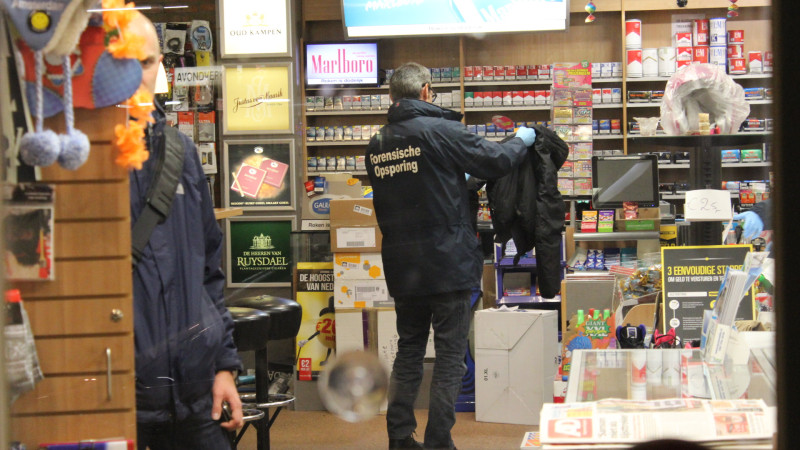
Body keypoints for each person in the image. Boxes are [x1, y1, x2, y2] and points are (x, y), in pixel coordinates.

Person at [366, 62, 536, 449]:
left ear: (392, 96)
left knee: (409, 350)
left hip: (403, 265)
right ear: (426, 90)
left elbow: (422, 186)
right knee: (449, 356)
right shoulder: (440, 129)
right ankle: (439, 441)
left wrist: (463, 183)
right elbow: (496, 160)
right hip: (448, 263)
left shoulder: (377, 142)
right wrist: (520, 140)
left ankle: (399, 438)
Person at [127, 13, 243, 449]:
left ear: (159, 65)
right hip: (119, 394)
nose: (134, 75)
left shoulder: (180, 151)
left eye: (145, 62)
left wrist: (224, 367)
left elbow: (209, 270)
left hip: (195, 390)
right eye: (121, 62)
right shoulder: (81, 162)